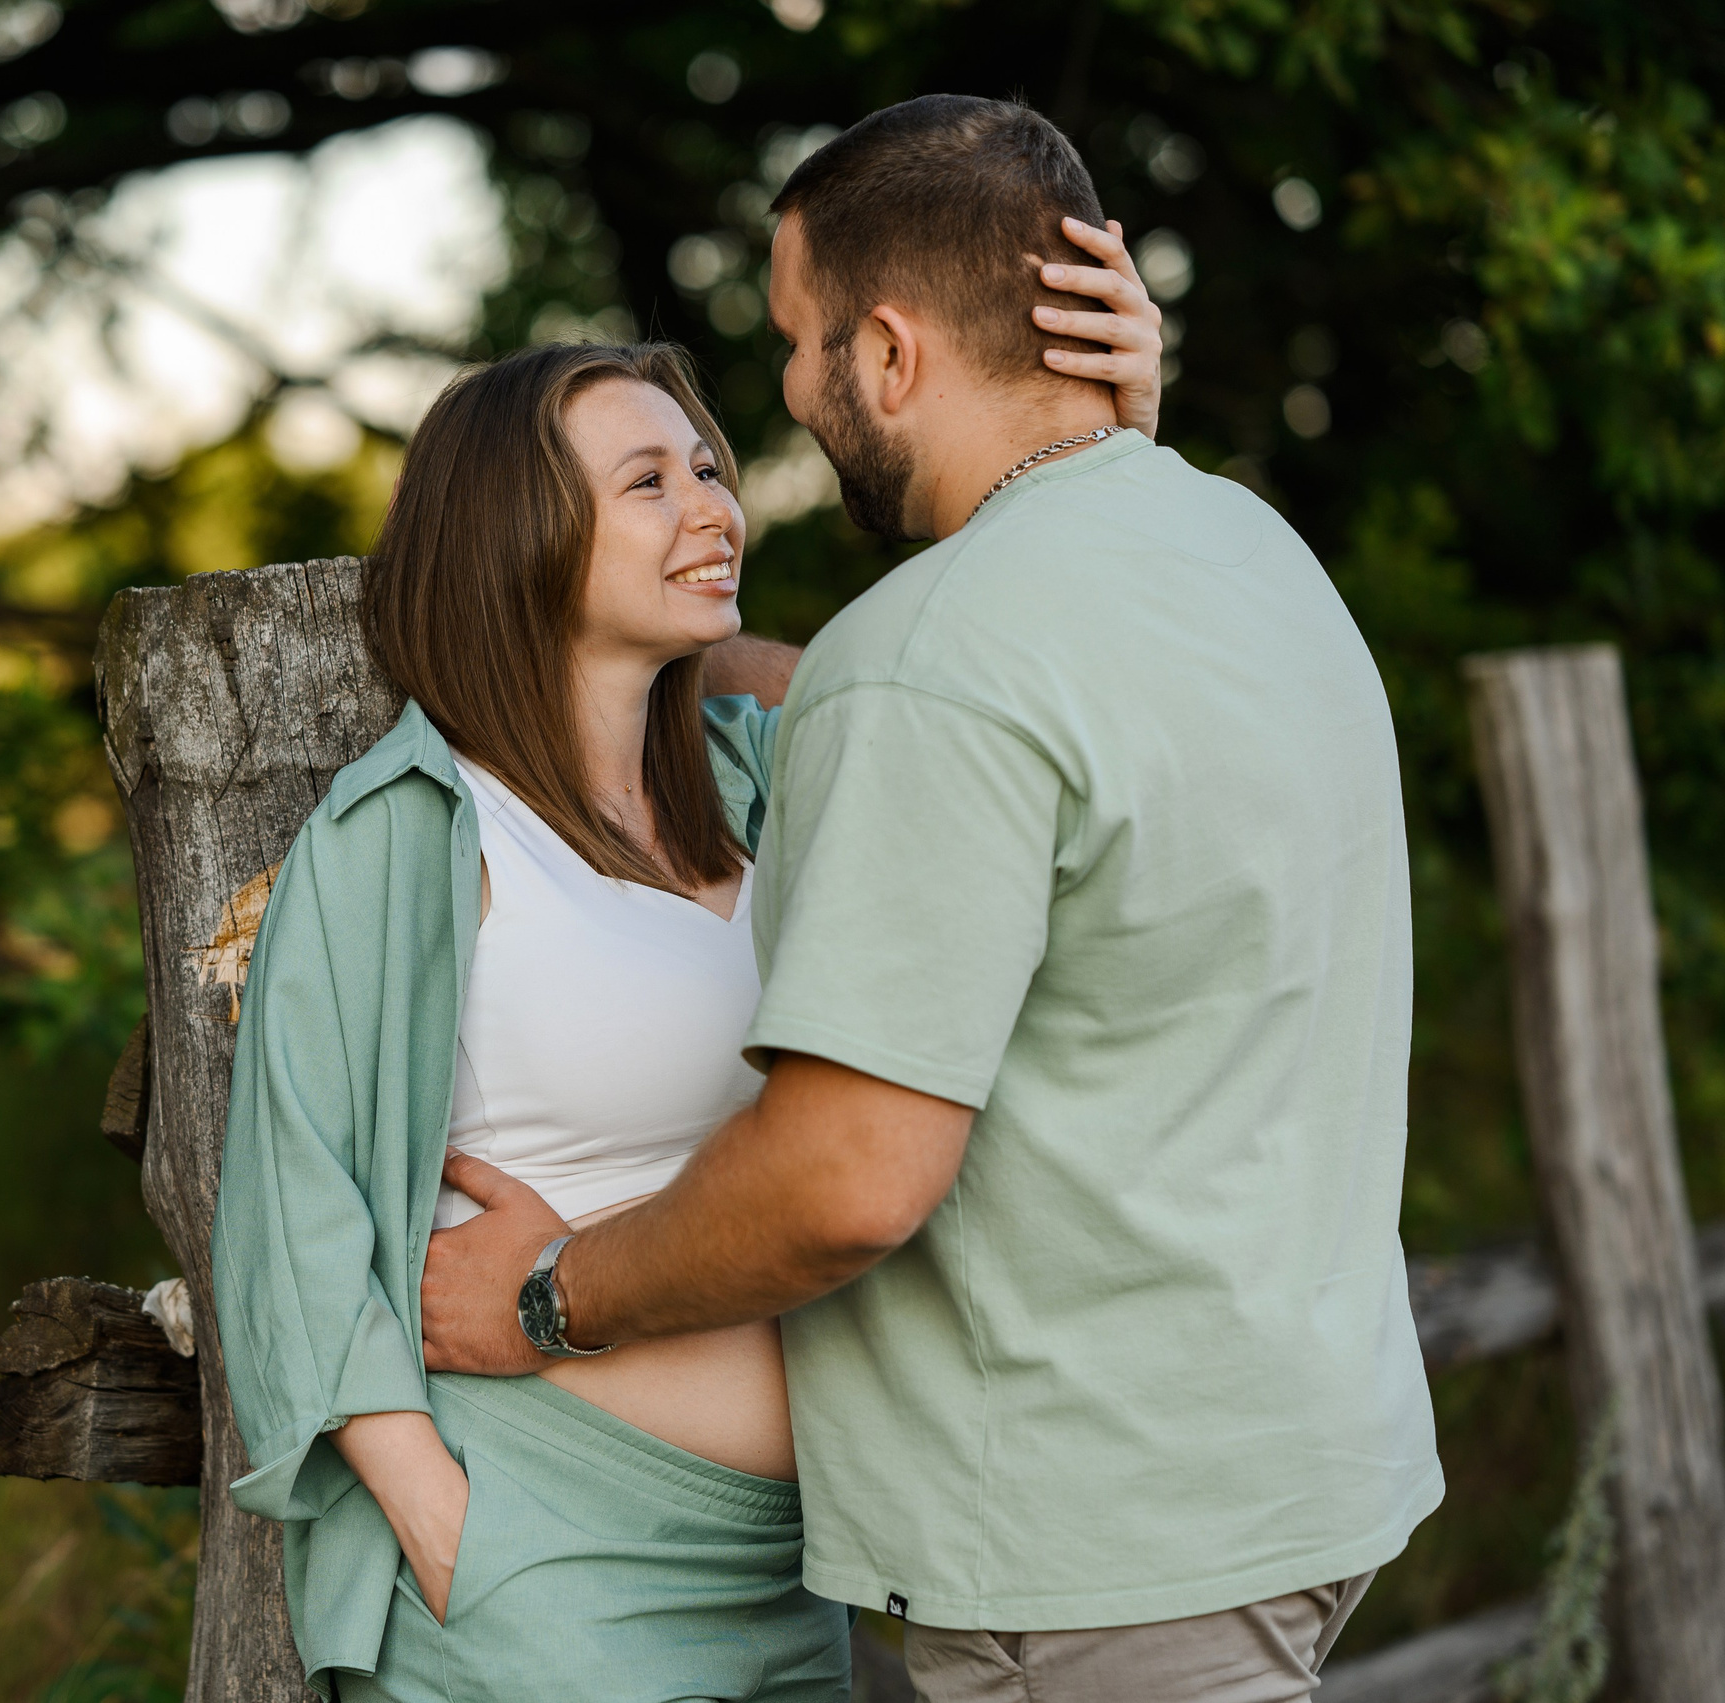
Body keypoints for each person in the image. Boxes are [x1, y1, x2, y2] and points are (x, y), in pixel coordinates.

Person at [417, 93, 1444, 1703]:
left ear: (888, 354)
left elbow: (845, 1180)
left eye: (797, 343)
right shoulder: (1247, 551)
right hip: (1301, 1466)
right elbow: (1029, 716)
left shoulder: (933, 662)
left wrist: (550, 1296)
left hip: (1098, 1537)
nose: (785, 393)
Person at [210, 174, 1169, 1700]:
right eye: (648, 482)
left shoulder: (765, 783)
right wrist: (439, 1519)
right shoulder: (413, 832)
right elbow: (291, 1203)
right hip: (544, 1567)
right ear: (519, 531)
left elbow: (990, 704)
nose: (714, 507)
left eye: (710, 470)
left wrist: (1106, 448)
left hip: (798, 1566)